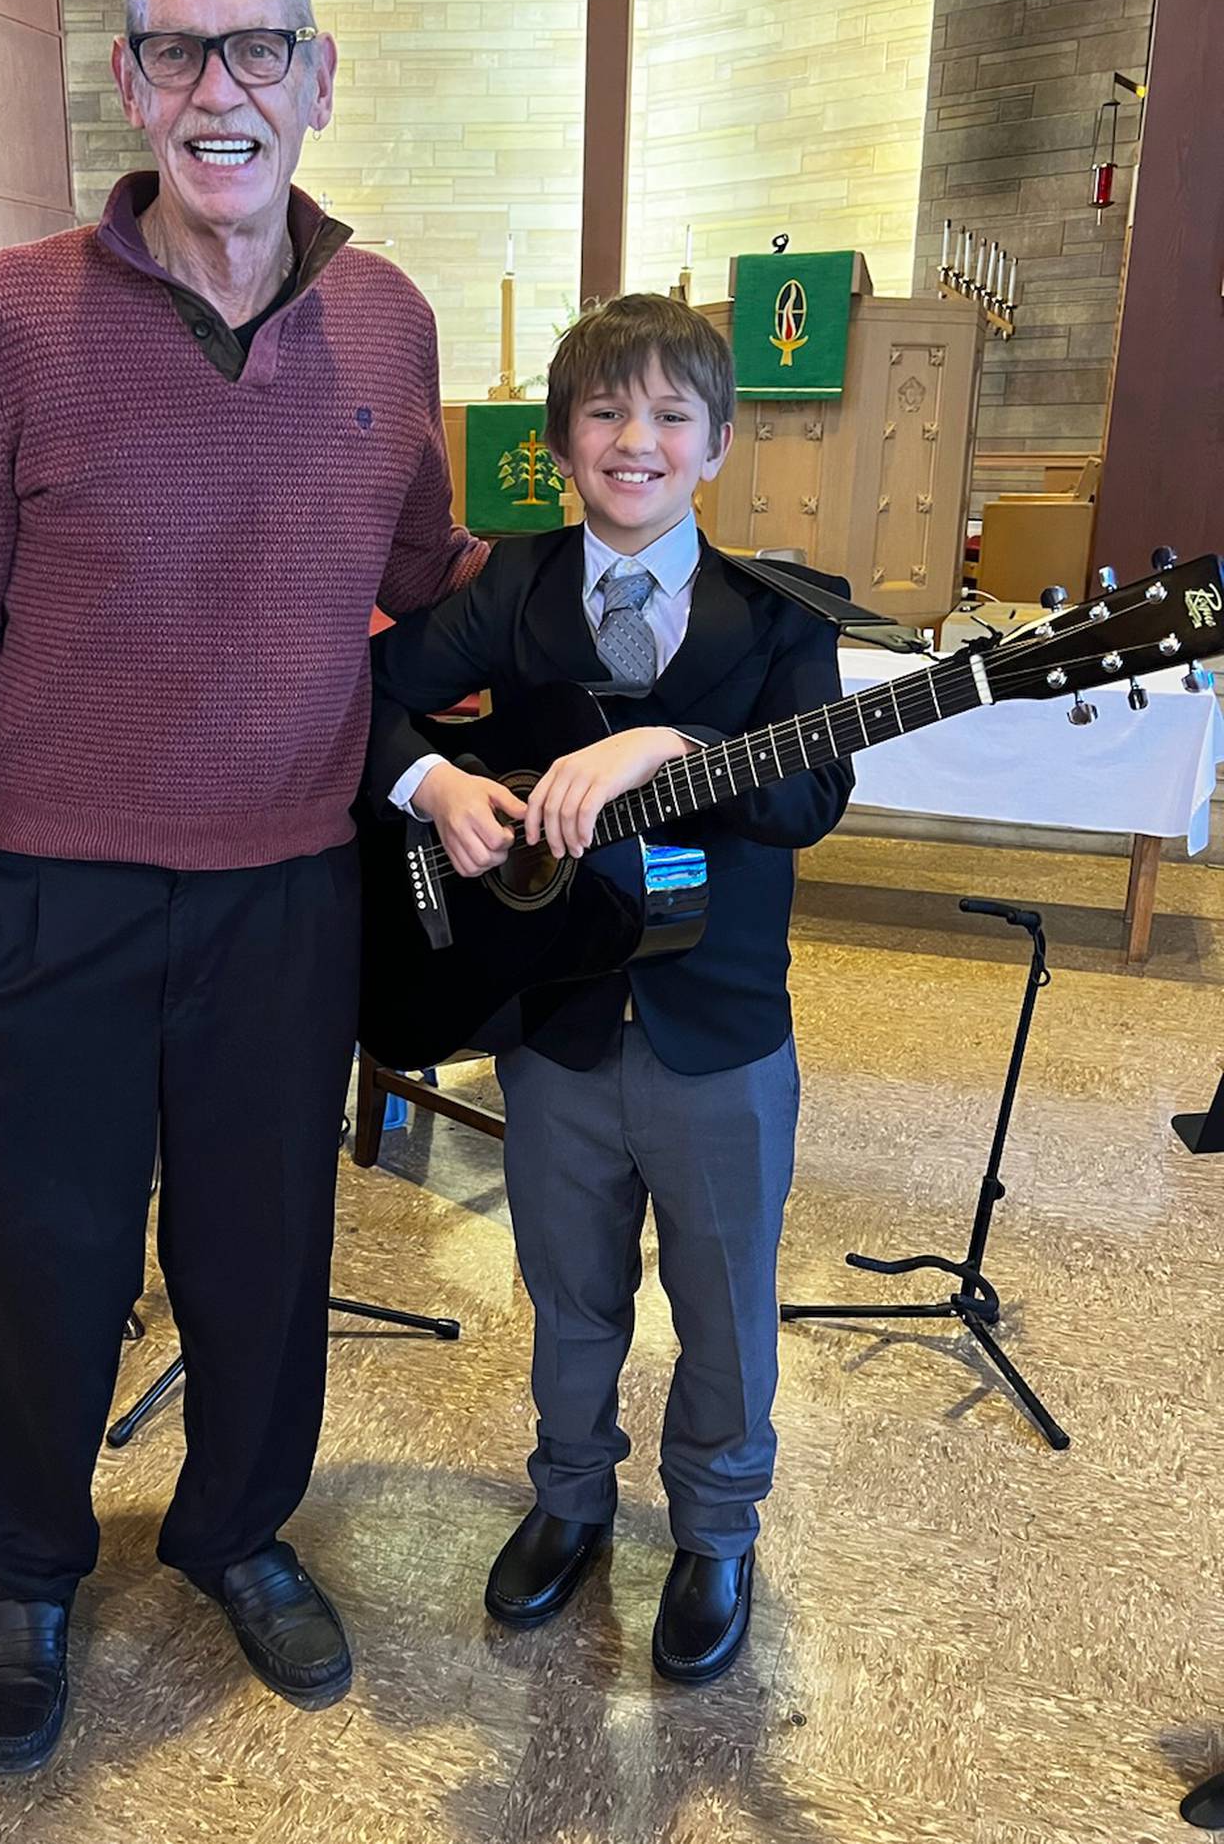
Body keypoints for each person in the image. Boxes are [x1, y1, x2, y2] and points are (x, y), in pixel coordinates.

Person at [0, 0, 486, 1771]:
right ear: (129, 80)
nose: (216, 88)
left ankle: (234, 1526)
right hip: (42, 896)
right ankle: (31, 1569)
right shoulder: (7, 320)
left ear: (317, 76)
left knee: (257, 1247)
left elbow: (432, 578)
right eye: (173, 48)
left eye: (255, 48)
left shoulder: (388, 318)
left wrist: (629, 597)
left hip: (284, 895)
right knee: (43, 1252)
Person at [368, 293, 853, 1684]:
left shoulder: (774, 620)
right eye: (603, 413)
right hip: (559, 1022)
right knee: (569, 1284)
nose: (634, 440)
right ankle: (571, 1495)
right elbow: (372, 695)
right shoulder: (513, 592)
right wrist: (440, 778)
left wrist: (668, 743)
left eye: (668, 417)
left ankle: (716, 1531)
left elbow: (813, 790)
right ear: (561, 444)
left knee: (724, 1298)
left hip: (720, 1031)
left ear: (714, 446)